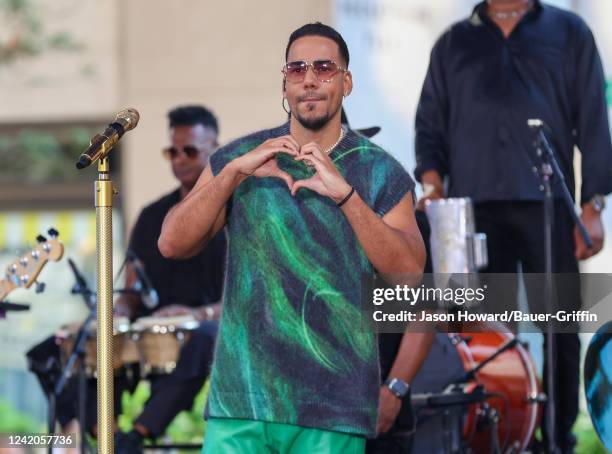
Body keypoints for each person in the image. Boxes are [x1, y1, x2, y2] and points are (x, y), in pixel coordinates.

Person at [159, 22, 425, 454]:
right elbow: (171, 243)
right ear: (284, 83)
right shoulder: (239, 159)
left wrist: (347, 197)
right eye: (296, 68)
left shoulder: (380, 172)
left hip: (331, 408)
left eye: (324, 67)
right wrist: (229, 175)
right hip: (242, 401)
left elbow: (410, 276)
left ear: (346, 81)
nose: (309, 79)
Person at [414, 1, 612, 452]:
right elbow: (430, 125)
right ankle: (496, 434)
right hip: (475, 215)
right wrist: (431, 184)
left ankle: (555, 438)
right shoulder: (453, 42)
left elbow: (594, 121)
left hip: (548, 207)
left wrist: (594, 205)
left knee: (558, 326)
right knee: (485, 330)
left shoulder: (569, 32)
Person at [113, 105, 227, 453]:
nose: (179, 159)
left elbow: (251, 297)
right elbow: (132, 287)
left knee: (206, 340)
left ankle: (139, 433)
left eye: (190, 150)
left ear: (214, 148)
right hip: (153, 331)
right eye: (172, 151)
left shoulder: (238, 210)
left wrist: (196, 315)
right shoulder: (151, 216)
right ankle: (99, 432)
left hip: (210, 327)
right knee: (98, 341)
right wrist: (118, 315)